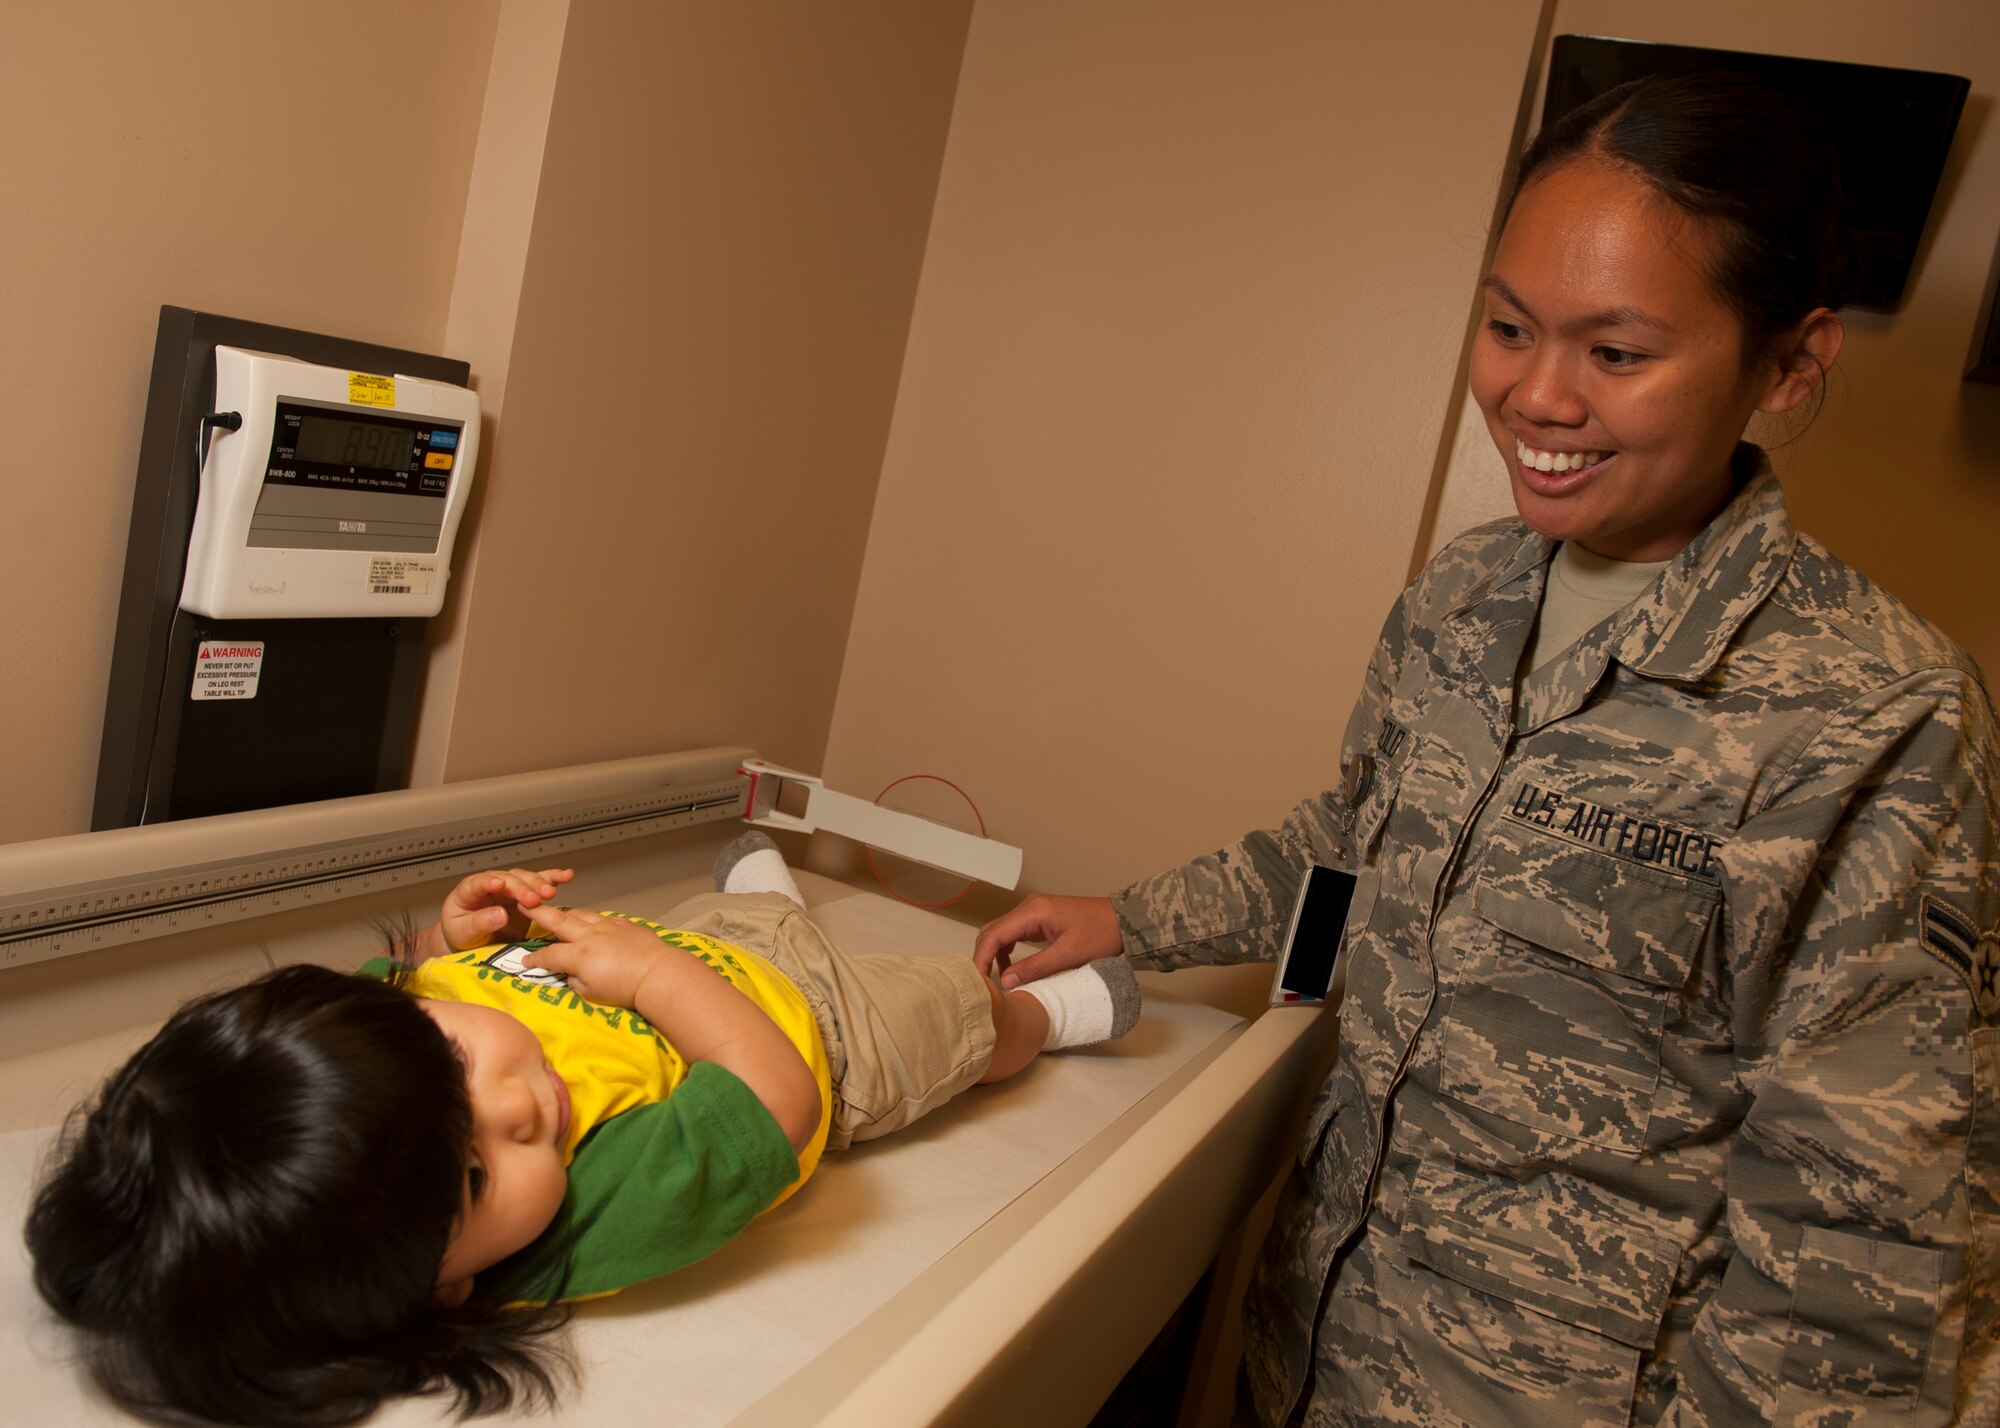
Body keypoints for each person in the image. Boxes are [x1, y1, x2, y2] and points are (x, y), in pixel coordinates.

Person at [975, 71, 1997, 1427]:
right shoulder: (1463, 596)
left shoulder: (1878, 713)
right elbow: (1358, 858)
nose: (1537, 396)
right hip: (1318, 1351)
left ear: (1790, 364)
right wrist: (1130, 920)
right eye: (1509, 327)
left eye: (1615, 354)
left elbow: (1860, 1244)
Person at [25, 832, 1141, 1427]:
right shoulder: (584, 1218)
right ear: (444, 1290)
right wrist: (649, 973)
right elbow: (770, 1096)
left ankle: (777, 905)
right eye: (474, 1174)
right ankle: (1041, 1019)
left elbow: (402, 977)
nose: (517, 1106)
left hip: (687, 950)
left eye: (449, 1053)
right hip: (819, 1033)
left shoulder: (379, 1050)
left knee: (735, 918)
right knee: (945, 1016)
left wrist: (448, 943)